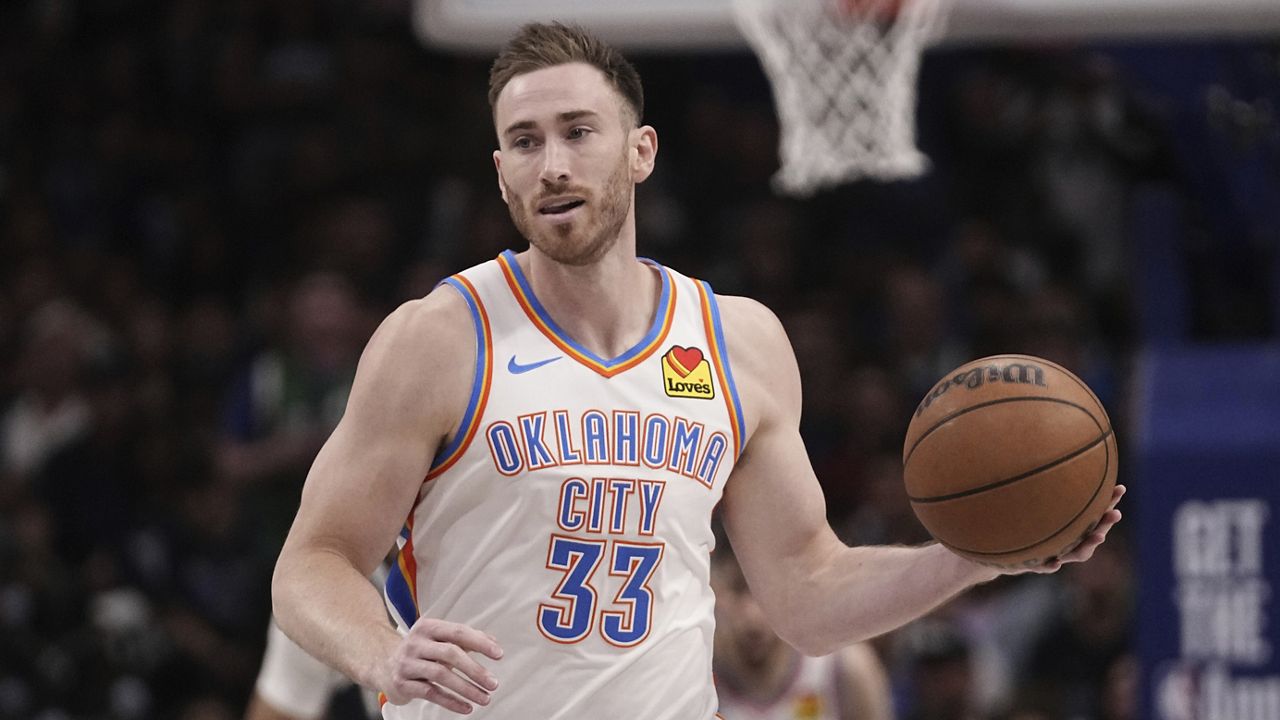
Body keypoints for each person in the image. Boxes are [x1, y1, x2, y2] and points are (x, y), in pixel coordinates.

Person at [270, 22, 1125, 719]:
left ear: (640, 152)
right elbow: (310, 564)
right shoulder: (440, 338)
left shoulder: (737, 343)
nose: (553, 164)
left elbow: (809, 594)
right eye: (524, 143)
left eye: (577, 132)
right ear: (501, 175)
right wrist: (385, 651)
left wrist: (982, 555)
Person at [711, 538, 895, 720]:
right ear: (715, 590)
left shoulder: (844, 668)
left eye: (763, 590)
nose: (753, 617)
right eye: (737, 590)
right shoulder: (700, 674)